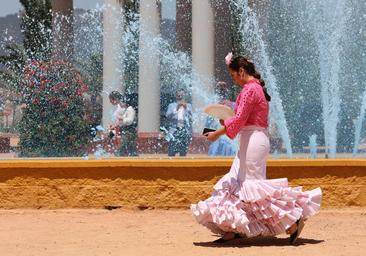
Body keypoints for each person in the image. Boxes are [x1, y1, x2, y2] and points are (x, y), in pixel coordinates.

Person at [191, 53, 322, 244]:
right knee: (234, 183)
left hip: (253, 140)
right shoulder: (253, 89)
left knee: (251, 187)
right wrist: (225, 121)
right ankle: (234, 228)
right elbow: (240, 118)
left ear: (242, 71)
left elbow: (239, 119)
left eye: (234, 75)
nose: (234, 80)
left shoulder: (250, 89)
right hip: (250, 139)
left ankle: (293, 221)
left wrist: (215, 133)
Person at [206, 81, 237, 156]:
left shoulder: (234, 106)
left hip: (230, 144)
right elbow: (206, 130)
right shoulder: (212, 107)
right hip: (217, 145)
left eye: (223, 88)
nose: (221, 91)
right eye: (219, 88)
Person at [109, 91, 138, 156]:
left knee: (122, 148)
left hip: (129, 131)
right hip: (125, 131)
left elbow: (129, 120)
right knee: (131, 148)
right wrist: (114, 127)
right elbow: (119, 121)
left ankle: (118, 157)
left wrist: (122, 119)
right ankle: (134, 156)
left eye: (122, 103)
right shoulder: (124, 110)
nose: (121, 105)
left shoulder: (129, 109)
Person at [165, 89, 192, 156]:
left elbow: (192, 118)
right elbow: (167, 116)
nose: (180, 97)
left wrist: (186, 109)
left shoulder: (189, 106)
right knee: (171, 151)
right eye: (178, 95)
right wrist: (176, 109)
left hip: (184, 130)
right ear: (176, 96)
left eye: (182, 95)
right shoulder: (171, 105)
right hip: (174, 130)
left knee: (183, 151)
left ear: (184, 96)